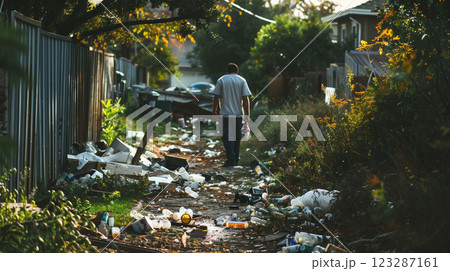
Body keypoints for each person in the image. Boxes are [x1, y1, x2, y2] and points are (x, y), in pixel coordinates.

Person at [212, 63, 251, 167]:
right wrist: (247, 114)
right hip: (238, 115)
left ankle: (231, 159)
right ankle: (235, 159)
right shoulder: (242, 80)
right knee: (236, 138)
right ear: (237, 71)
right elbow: (245, 99)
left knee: (226, 137)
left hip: (225, 114)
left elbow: (216, 97)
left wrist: (214, 111)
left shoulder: (221, 80)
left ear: (227, 71)